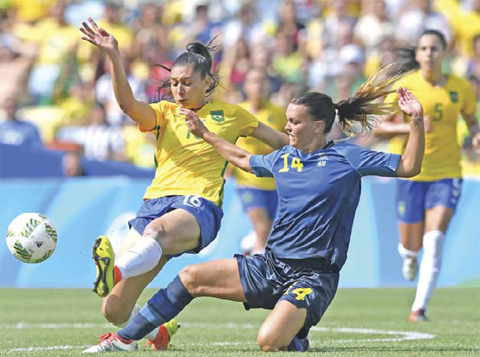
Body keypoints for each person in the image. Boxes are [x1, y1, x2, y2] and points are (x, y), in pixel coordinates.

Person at [82, 67, 425, 353]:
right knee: (190, 278)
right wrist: (204, 134)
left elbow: (410, 166)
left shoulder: (349, 158)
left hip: (313, 276)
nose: (287, 128)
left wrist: (416, 122)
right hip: (270, 266)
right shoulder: (283, 158)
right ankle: (125, 339)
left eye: (295, 122)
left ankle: (297, 335)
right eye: (288, 121)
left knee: (268, 341)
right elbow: (243, 159)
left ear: (319, 126)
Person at [79, 18, 289, 350]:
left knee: (157, 233)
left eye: (187, 83)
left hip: (198, 206)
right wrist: (115, 57)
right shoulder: (164, 113)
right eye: (174, 83)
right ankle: (159, 333)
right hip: (153, 205)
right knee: (114, 309)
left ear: (208, 83)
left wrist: (318, 152)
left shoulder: (232, 115)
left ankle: (115, 271)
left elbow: (280, 141)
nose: (178, 90)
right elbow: (126, 105)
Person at [375, 30, 480, 322]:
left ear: (444, 52)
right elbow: (380, 128)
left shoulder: (461, 88)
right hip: (411, 173)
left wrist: (476, 135)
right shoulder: (405, 86)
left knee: (434, 239)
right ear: (418, 55)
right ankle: (408, 256)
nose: (429, 53)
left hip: (447, 174)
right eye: (424, 48)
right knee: (412, 247)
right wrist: (412, 125)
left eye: (435, 48)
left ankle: (419, 308)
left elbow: (472, 122)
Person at [234, 67, 287, 254]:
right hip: (248, 180)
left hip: (273, 182)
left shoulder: (279, 112)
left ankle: (249, 245)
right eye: (254, 81)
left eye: (262, 81)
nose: (259, 85)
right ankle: (258, 270)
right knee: (263, 227)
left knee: (268, 231)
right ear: (246, 86)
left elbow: (287, 142)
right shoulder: (237, 111)